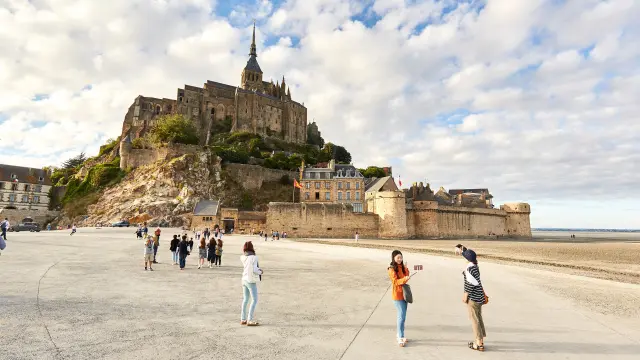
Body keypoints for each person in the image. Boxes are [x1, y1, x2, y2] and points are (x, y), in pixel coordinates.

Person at [462, 248, 488, 352]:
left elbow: (470, 284)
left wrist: (465, 296)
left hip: (473, 298)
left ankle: (478, 343)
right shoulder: (475, 266)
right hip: (479, 296)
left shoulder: (469, 268)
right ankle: (480, 340)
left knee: (474, 320)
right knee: (478, 318)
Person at [388, 250, 410, 347]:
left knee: (403, 316)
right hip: (397, 295)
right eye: (398, 258)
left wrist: (406, 268)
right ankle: (400, 337)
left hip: (404, 295)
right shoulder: (391, 269)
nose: (400, 259)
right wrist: (404, 279)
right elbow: (395, 282)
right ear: (393, 258)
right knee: (401, 316)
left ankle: (400, 334)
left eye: (401, 257)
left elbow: (406, 275)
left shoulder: (402, 267)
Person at [240, 241, 263, 326]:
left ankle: (243, 319)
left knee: (245, 299)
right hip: (250, 280)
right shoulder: (254, 257)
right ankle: (250, 319)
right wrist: (261, 271)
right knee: (254, 299)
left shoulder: (242, 257)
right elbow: (255, 269)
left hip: (244, 279)